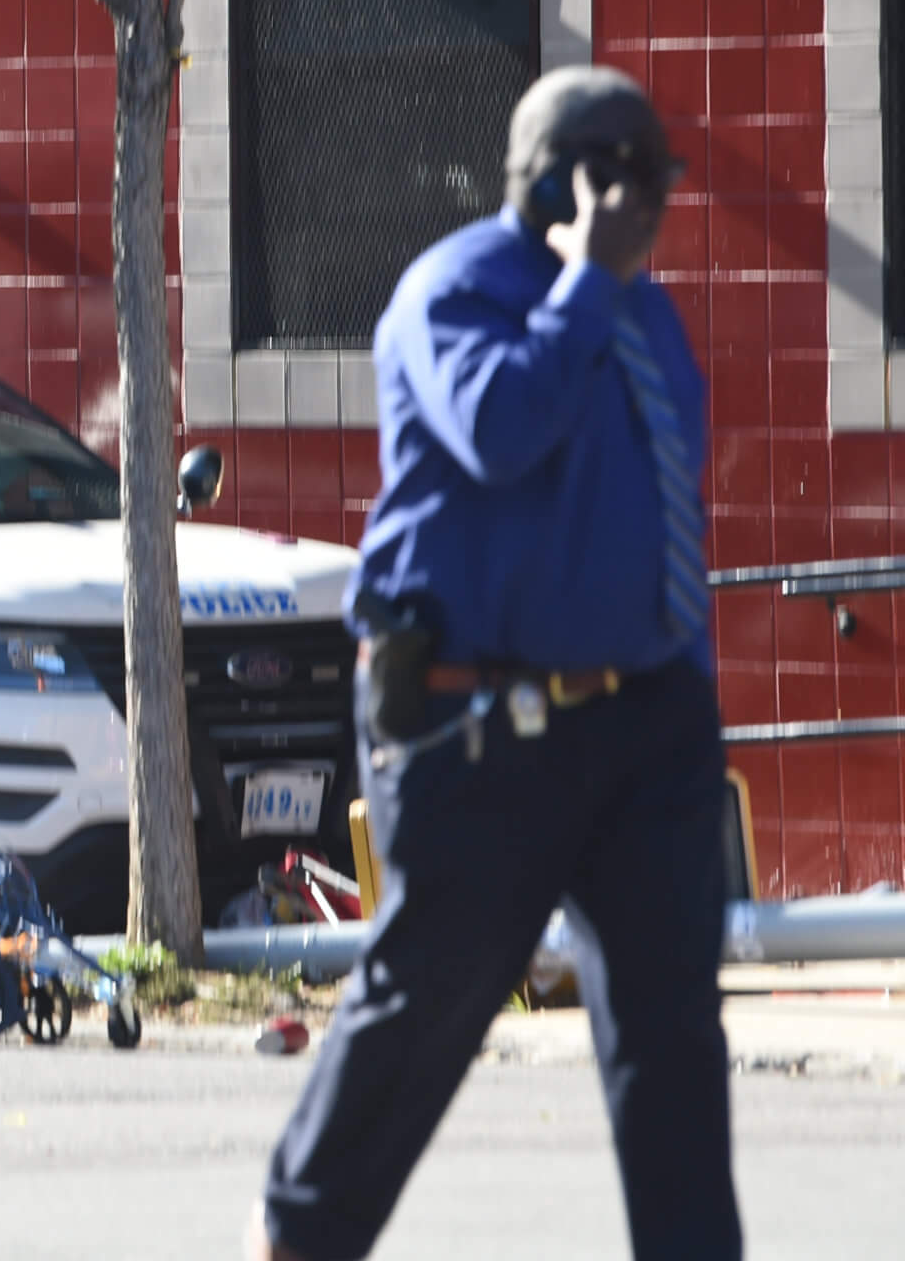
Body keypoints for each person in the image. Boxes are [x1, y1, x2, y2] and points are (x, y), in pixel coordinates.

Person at [251, 67, 736, 1260]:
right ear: (572, 180)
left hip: (645, 724)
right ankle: (300, 1236)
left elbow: (664, 501)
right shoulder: (455, 291)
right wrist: (585, 282)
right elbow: (499, 429)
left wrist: (691, 701)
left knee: (671, 1031)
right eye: (633, 180)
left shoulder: (644, 308)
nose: (654, 208)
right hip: (482, 725)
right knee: (429, 1002)